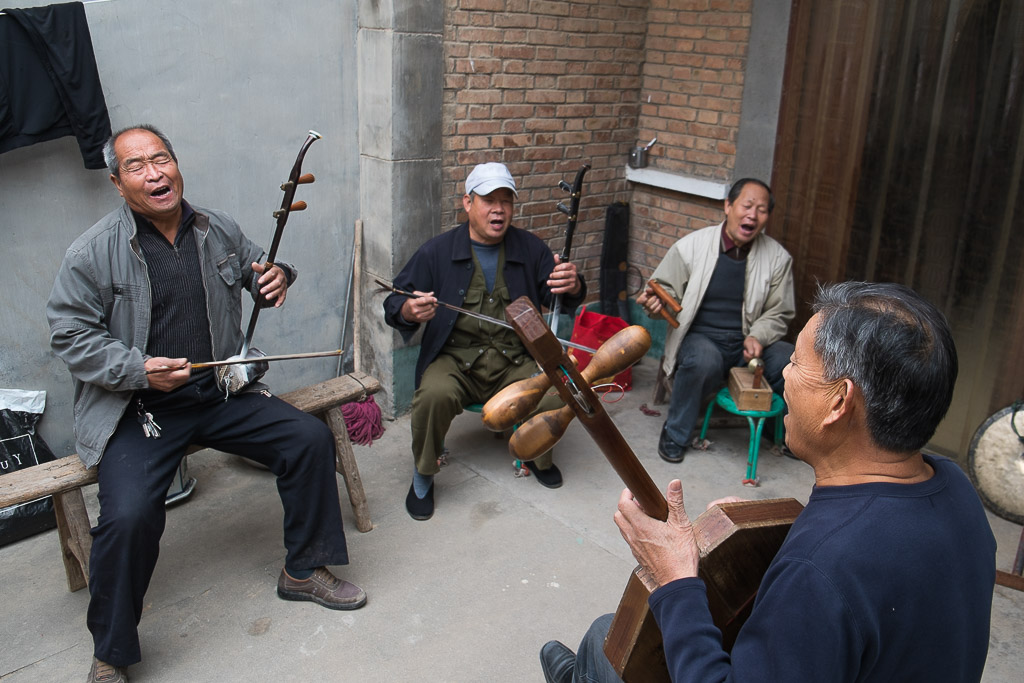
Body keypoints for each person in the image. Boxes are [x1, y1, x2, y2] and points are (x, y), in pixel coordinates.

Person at [540, 281, 997, 683]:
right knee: (607, 637)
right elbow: (876, 574)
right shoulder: (954, 486)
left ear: (839, 402)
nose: (783, 375)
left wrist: (674, 578)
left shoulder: (820, 570)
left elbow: (837, 573)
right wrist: (764, 533)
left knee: (609, 642)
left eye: (797, 364)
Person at [46, 125, 365, 683]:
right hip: (140, 408)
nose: (154, 173)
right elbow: (71, 336)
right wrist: (135, 368)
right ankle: (111, 653)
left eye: (161, 158)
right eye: (137, 166)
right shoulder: (93, 252)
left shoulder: (215, 228)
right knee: (127, 516)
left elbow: (258, 264)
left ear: (176, 164)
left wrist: (277, 276)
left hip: (218, 390)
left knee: (307, 439)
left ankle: (303, 570)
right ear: (119, 184)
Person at [383, 162, 587, 520]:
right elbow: (394, 301)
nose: (499, 209)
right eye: (489, 200)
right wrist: (409, 311)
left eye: (506, 201)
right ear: (467, 203)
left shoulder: (531, 248)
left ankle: (538, 455)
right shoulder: (437, 251)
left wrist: (573, 285)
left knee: (557, 392)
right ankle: (424, 474)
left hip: (515, 359)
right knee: (432, 396)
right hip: (455, 361)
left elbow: (558, 296)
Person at [637, 178, 795, 463]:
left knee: (788, 359)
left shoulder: (777, 258)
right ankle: (676, 433)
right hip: (701, 338)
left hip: (749, 342)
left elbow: (779, 311)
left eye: (761, 210)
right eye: (746, 206)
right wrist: (656, 304)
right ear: (728, 206)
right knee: (703, 360)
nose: (752, 215)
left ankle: (781, 433)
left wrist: (757, 336)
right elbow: (662, 290)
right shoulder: (690, 247)